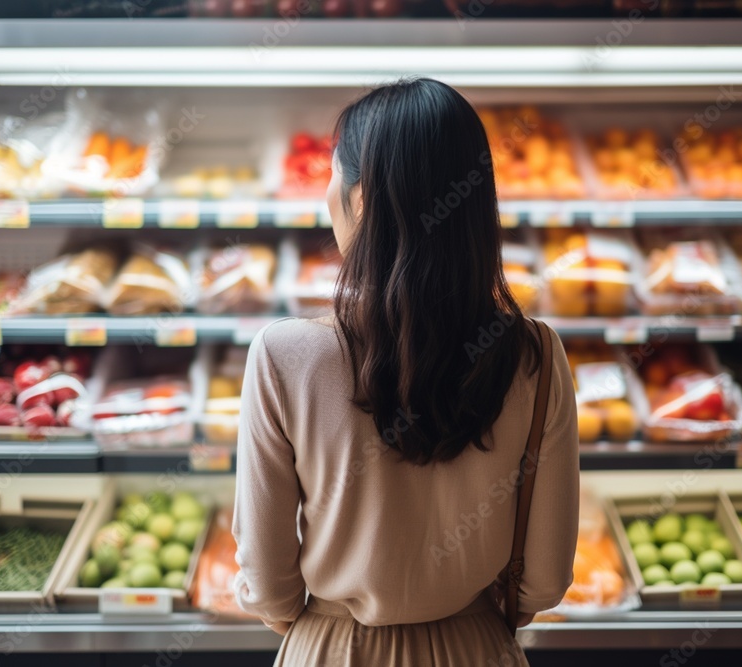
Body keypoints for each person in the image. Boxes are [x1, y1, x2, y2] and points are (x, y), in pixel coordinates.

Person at [232, 78, 579, 666]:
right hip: (477, 647)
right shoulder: (535, 356)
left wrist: (326, 624)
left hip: (333, 648)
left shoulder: (282, 356)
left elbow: (267, 584)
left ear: (360, 198)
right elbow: (544, 581)